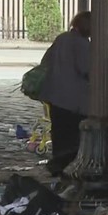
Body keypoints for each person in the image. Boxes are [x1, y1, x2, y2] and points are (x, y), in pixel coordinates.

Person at [38, 12, 91, 177]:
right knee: (73, 136)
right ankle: (65, 166)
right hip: (74, 99)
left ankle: (57, 164)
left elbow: (45, 61)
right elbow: (86, 69)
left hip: (55, 96)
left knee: (59, 133)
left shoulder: (61, 38)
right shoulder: (82, 44)